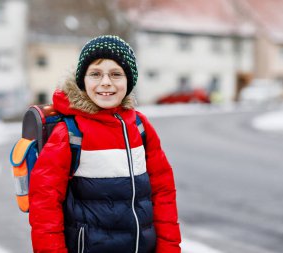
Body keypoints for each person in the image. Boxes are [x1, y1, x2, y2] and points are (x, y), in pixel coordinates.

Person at [29, 35, 181, 253]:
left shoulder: (140, 126)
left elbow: (163, 192)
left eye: (116, 74)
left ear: (129, 81)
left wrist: (169, 248)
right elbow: (44, 205)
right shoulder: (70, 133)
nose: (106, 82)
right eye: (95, 74)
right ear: (82, 80)